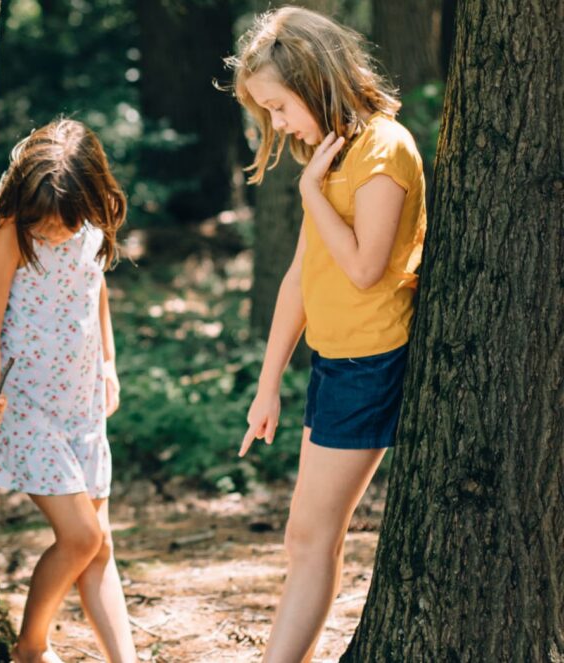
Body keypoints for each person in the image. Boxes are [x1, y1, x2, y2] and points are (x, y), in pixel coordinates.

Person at [226, 7, 427, 661]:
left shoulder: (383, 149)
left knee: (311, 536)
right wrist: (268, 387)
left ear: (312, 80)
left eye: (280, 108)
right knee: (304, 536)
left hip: (370, 363)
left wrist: (312, 193)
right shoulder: (331, 155)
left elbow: (369, 269)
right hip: (334, 363)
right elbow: (299, 279)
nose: (279, 126)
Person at [0, 118, 136, 663]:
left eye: (59, 228)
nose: (50, 237)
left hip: (82, 403)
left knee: (100, 545)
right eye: (42, 230)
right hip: (26, 407)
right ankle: (30, 648)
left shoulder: (92, 224)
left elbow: (97, 288)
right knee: (82, 538)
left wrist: (109, 362)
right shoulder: (12, 232)